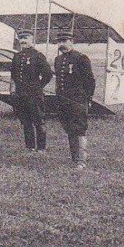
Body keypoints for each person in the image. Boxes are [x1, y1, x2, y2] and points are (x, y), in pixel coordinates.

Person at [53, 29, 96, 169]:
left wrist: (87, 99)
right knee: (69, 129)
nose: (61, 44)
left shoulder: (81, 58)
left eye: (64, 41)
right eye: (59, 42)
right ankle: (74, 157)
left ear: (72, 41)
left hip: (77, 100)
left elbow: (90, 81)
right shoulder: (58, 60)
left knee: (79, 129)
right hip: (63, 101)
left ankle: (81, 161)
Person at [10, 29, 53, 153]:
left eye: (26, 38)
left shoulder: (38, 55)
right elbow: (14, 73)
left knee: (38, 121)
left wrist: (38, 86)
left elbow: (47, 74)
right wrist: (20, 86)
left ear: (32, 40)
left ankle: (41, 147)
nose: (23, 41)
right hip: (21, 94)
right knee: (25, 121)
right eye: (21, 38)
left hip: (34, 95)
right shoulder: (17, 56)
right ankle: (30, 147)